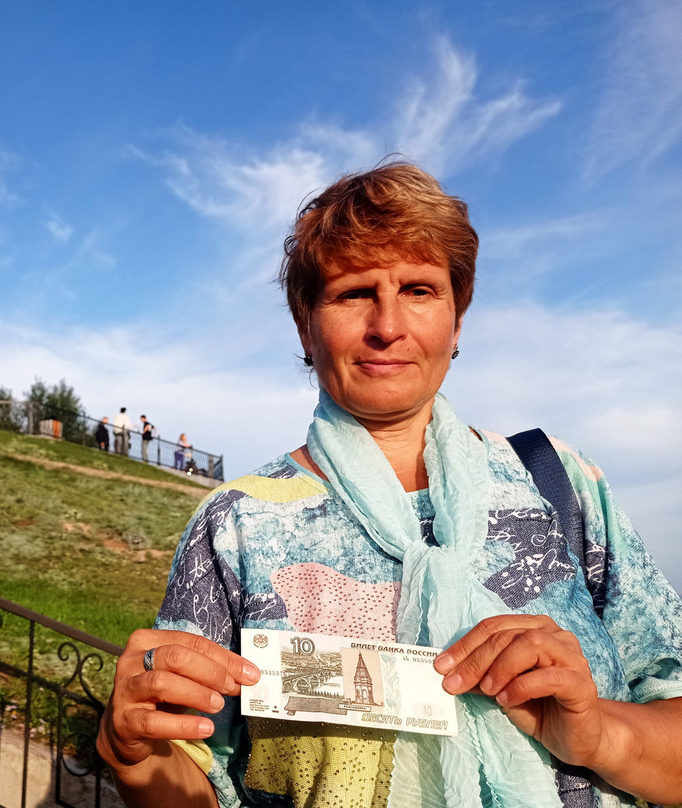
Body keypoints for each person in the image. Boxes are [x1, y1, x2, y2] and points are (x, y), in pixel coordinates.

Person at [96, 163, 682, 808]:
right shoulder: (237, 522)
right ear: (306, 326)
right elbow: (192, 778)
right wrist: (132, 751)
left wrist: (600, 736)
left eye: (420, 290)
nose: (387, 325)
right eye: (352, 294)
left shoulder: (561, 483)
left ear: (456, 321)